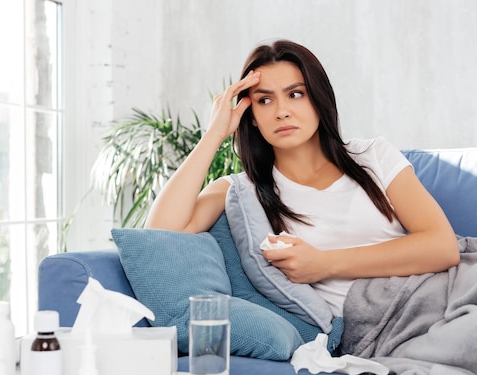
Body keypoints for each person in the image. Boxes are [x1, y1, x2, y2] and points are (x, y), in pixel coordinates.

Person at [145, 39, 460, 317]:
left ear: (318, 100)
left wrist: (325, 264)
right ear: (250, 115)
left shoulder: (372, 155)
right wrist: (213, 135)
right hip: (385, 324)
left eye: (295, 94)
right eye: (264, 100)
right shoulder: (242, 191)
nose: (281, 111)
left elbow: (442, 246)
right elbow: (159, 236)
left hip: (445, 293)